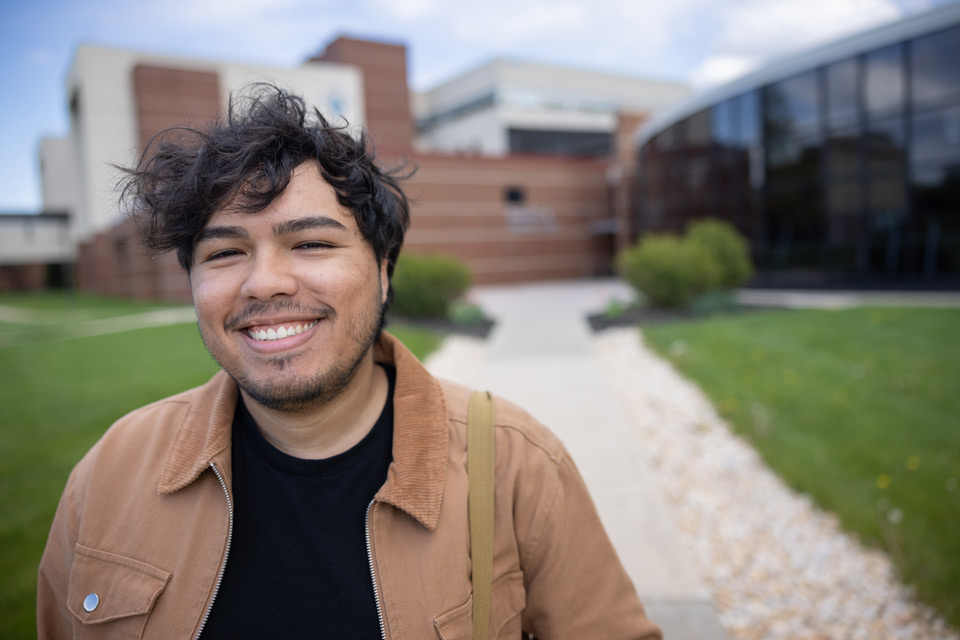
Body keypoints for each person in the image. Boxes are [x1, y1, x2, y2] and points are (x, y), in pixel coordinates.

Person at [37, 84, 662, 640]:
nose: (264, 283)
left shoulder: (516, 465)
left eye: (310, 243)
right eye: (224, 252)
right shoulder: (111, 474)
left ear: (384, 273)